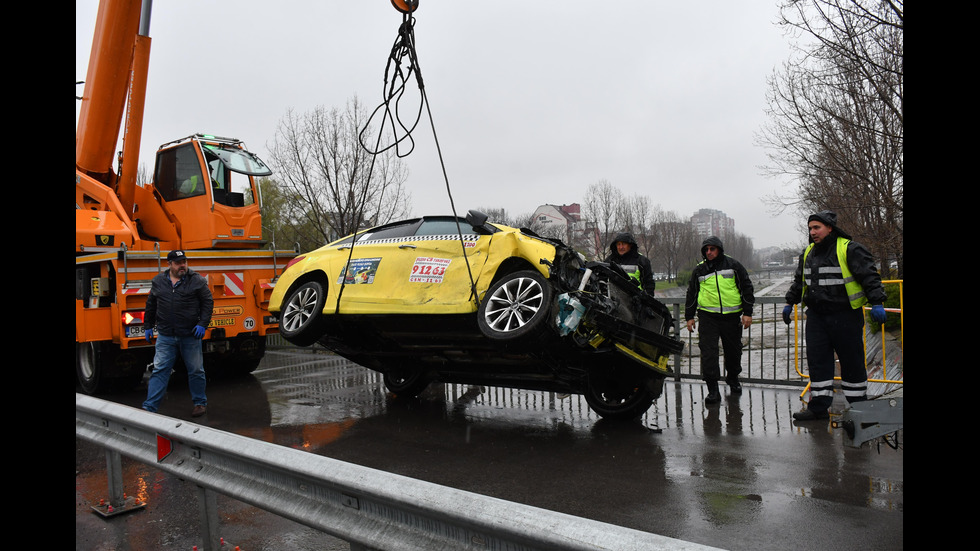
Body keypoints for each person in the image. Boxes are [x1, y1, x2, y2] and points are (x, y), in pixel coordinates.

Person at [783, 211, 887, 421]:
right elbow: (799, 282)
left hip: (845, 316)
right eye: (810, 228)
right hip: (816, 317)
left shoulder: (849, 249)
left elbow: (870, 277)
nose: (812, 232)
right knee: (818, 362)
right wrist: (789, 302)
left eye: (817, 227)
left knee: (852, 361)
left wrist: (877, 302)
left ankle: (859, 408)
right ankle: (818, 408)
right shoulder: (808, 253)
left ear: (829, 228)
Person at [142, 250, 213, 417]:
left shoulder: (196, 280)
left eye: (184, 262)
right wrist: (148, 325)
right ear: (169, 264)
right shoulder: (159, 281)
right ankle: (150, 407)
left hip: (190, 335)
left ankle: (199, 403)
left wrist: (203, 324)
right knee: (160, 370)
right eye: (178, 263)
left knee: (196, 370)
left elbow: (207, 302)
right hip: (166, 336)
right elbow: (151, 304)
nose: (182, 265)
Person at [685, 236, 754, 404]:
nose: (709, 252)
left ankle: (733, 378)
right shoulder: (699, 270)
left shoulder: (733, 265)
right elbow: (692, 294)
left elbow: (746, 287)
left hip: (731, 317)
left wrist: (747, 312)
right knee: (708, 353)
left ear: (719, 249)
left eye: (712, 249)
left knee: (733, 351)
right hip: (708, 317)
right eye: (706, 250)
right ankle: (713, 390)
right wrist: (689, 317)